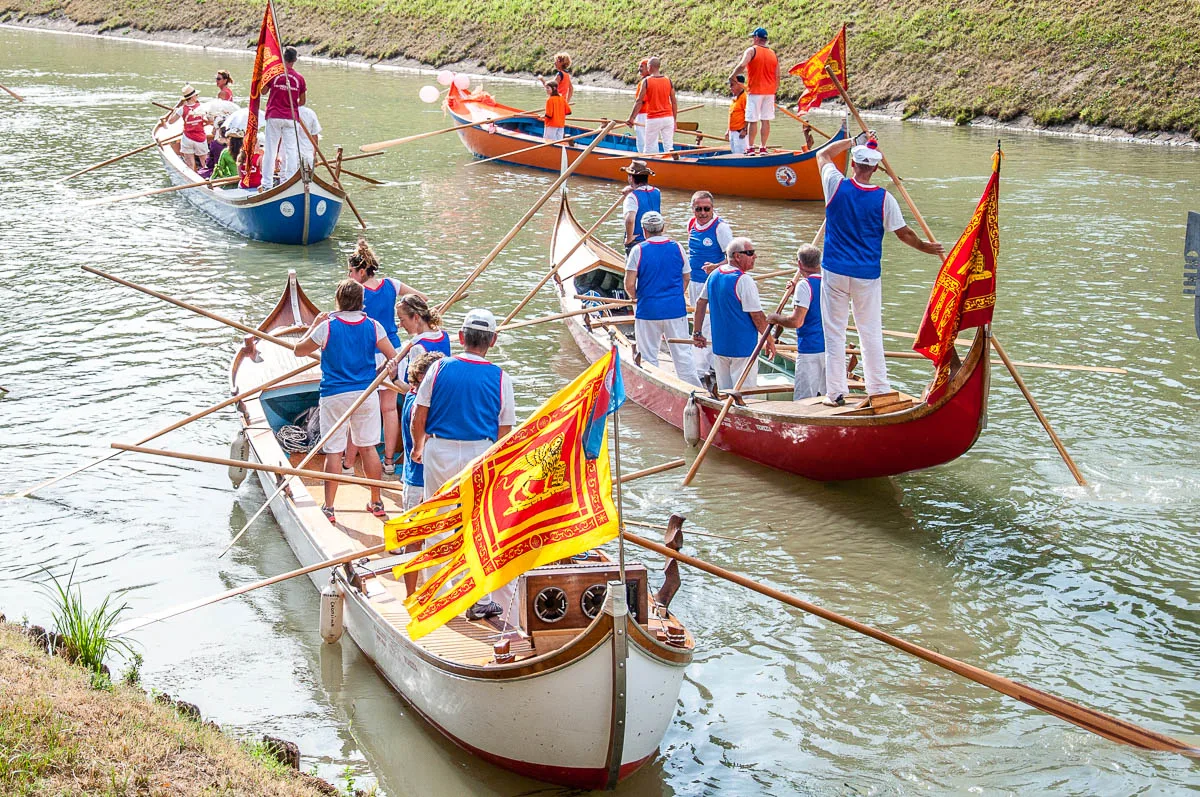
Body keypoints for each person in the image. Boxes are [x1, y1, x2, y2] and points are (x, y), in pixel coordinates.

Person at [816, 136, 944, 406]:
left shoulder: (834, 184)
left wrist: (851, 140)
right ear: (875, 169)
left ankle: (835, 393)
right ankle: (879, 389)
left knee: (835, 333)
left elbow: (823, 155)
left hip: (835, 272)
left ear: (852, 164)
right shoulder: (885, 199)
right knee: (870, 332)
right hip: (866, 275)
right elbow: (905, 234)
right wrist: (926, 247)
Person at [410, 309, 516, 622]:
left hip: (439, 449)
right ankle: (477, 598)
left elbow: (420, 412)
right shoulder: (500, 377)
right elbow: (505, 428)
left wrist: (418, 446)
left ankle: (440, 596)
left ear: (460, 338)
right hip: (480, 454)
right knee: (477, 527)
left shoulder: (439, 367)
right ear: (493, 341)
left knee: (438, 523)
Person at [294, 279, 398, 524]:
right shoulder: (374, 326)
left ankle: (329, 508)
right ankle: (377, 501)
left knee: (333, 451)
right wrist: (380, 371)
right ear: (361, 302)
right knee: (368, 447)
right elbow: (392, 357)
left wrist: (314, 326)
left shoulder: (327, 327)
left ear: (338, 300)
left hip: (334, 395)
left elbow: (298, 350)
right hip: (365, 394)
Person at [344, 238, 426, 476]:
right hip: (395, 353)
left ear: (361, 271)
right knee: (389, 410)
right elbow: (423, 299)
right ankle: (389, 463)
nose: (349, 276)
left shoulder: (355, 292)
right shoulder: (391, 284)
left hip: (368, 356)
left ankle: (348, 464)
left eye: (350, 271)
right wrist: (403, 321)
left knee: (359, 409)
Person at [624, 211, 700, 387]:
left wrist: (636, 297)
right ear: (663, 228)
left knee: (648, 355)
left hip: (648, 310)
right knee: (682, 354)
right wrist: (676, 295)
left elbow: (629, 284)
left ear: (644, 230)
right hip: (675, 310)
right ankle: (694, 389)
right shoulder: (677, 247)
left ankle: (652, 388)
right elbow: (686, 277)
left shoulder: (638, 250)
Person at [692, 237, 775, 390]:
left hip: (720, 347)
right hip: (742, 349)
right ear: (737, 256)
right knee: (745, 394)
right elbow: (757, 316)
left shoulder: (713, 275)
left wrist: (697, 332)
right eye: (750, 253)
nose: (755, 256)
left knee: (725, 391)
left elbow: (700, 303)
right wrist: (769, 340)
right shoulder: (744, 280)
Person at [398, 350, 444, 595]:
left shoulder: (411, 397)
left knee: (421, 539)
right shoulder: (418, 406)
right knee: (415, 540)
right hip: (419, 479)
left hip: (420, 478)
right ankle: (411, 593)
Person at [766, 244, 825, 399]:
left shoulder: (805, 286)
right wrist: (795, 294)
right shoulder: (831, 282)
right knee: (829, 396)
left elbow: (796, 321)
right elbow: (817, 306)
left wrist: (774, 318)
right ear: (819, 263)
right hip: (832, 349)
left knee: (804, 399)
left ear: (799, 264)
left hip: (810, 349)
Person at [685, 191, 734, 379]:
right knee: (698, 321)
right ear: (693, 209)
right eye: (699, 209)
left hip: (714, 283)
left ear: (713, 208)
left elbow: (732, 259)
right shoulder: (691, 224)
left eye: (707, 209)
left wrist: (715, 266)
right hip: (695, 281)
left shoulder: (721, 228)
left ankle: (702, 368)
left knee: (707, 324)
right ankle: (708, 364)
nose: (703, 213)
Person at [261, 46, 306, 192]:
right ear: (295, 60)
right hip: (291, 117)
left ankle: (267, 184)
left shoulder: (274, 74)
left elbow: (262, 91)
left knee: (270, 150)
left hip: (274, 116)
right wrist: (290, 101)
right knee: (291, 150)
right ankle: (288, 181)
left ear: (283, 57)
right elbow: (302, 101)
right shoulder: (299, 79)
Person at [729, 27, 780, 154]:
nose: (752, 39)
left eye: (753, 37)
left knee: (752, 120)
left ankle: (750, 147)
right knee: (765, 120)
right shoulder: (773, 54)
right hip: (769, 92)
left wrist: (732, 75)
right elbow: (777, 75)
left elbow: (742, 65)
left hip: (755, 90)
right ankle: (763, 147)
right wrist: (775, 90)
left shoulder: (751, 51)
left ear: (757, 38)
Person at [396, 294, 452, 391]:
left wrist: (395, 380)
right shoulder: (444, 335)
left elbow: (414, 391)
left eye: (402, 319)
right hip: (442, 391)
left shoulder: (417, 348)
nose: (400, 324)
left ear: (416, 317)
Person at [626, 57, 676, 154]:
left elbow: (639, 101)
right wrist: (674, 120)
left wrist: (631, 118)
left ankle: (649, 164)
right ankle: (670, 160)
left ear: (650, 67)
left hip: (654, 118)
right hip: (668, 118)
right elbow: (674, 102)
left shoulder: (647, 81)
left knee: (649, 146)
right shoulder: (668, 80)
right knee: (668, 145)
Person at [621, 160, 661, 253]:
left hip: (637, 240)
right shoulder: (657, 192)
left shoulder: (632, 197)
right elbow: (643, 190)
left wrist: (629, 238)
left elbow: (630, 220)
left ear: (631, 178)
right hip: (654, 237)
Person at [168, 85, 207, 173]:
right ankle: (206, 178)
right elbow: (209, 120)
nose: (197, 96)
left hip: (187, 138)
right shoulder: (202, 107)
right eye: (196, 95)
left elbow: (170, 121)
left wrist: (174, 111)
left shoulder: (182, 109)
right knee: (204, 162)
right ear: (193, 97)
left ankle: (192, 180)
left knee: (190, 164)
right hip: (200, 138)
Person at [727, 75, 748, 155]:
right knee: (734, 152)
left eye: (732, 85)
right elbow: (732, 114)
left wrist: (745, 129)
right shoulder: (735, 98)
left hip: (740, 132)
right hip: (732, 131)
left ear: (739, 85)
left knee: (740, 154)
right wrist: (728, 130)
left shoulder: (744, 98)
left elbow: (748, 115)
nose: (730, 88)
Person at [632, 59, 650, 152]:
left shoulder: (645, 82)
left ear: (648, 68)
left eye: (641, 66)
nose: (639, 69)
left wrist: (632, 118)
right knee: (649, 139)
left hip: (643, 114)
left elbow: (640, 101)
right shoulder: (655, 80)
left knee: (641, 139)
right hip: (651, 115)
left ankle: (643, 157)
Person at [297, 104, 322, 171]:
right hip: (307, 153)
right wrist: (314, 154)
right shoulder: (310, 113)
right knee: (307, 176)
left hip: (290, 155)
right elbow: (315, 136)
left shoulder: (285, 112)